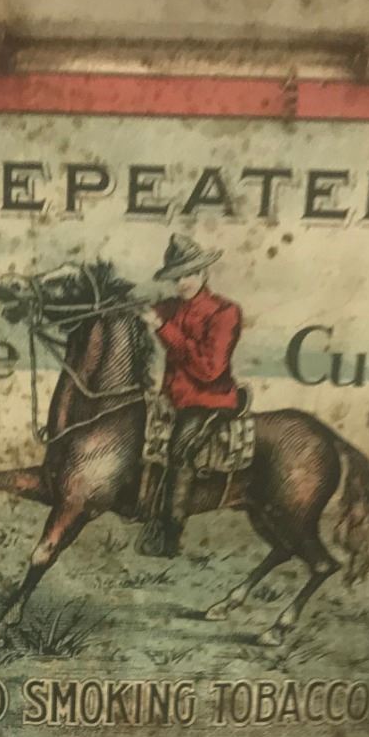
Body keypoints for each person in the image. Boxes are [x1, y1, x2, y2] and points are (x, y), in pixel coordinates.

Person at [140, 233, 243, 557]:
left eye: (190, 274)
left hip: (209, 402)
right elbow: (139, 310)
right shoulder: (169, 307)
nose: (183, 282)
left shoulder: (225, 312)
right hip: (171, 400)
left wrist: (163, 329)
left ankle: (169, 535)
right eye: (177, 277)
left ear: (204, 273)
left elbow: (211, 369)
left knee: (180, 451)